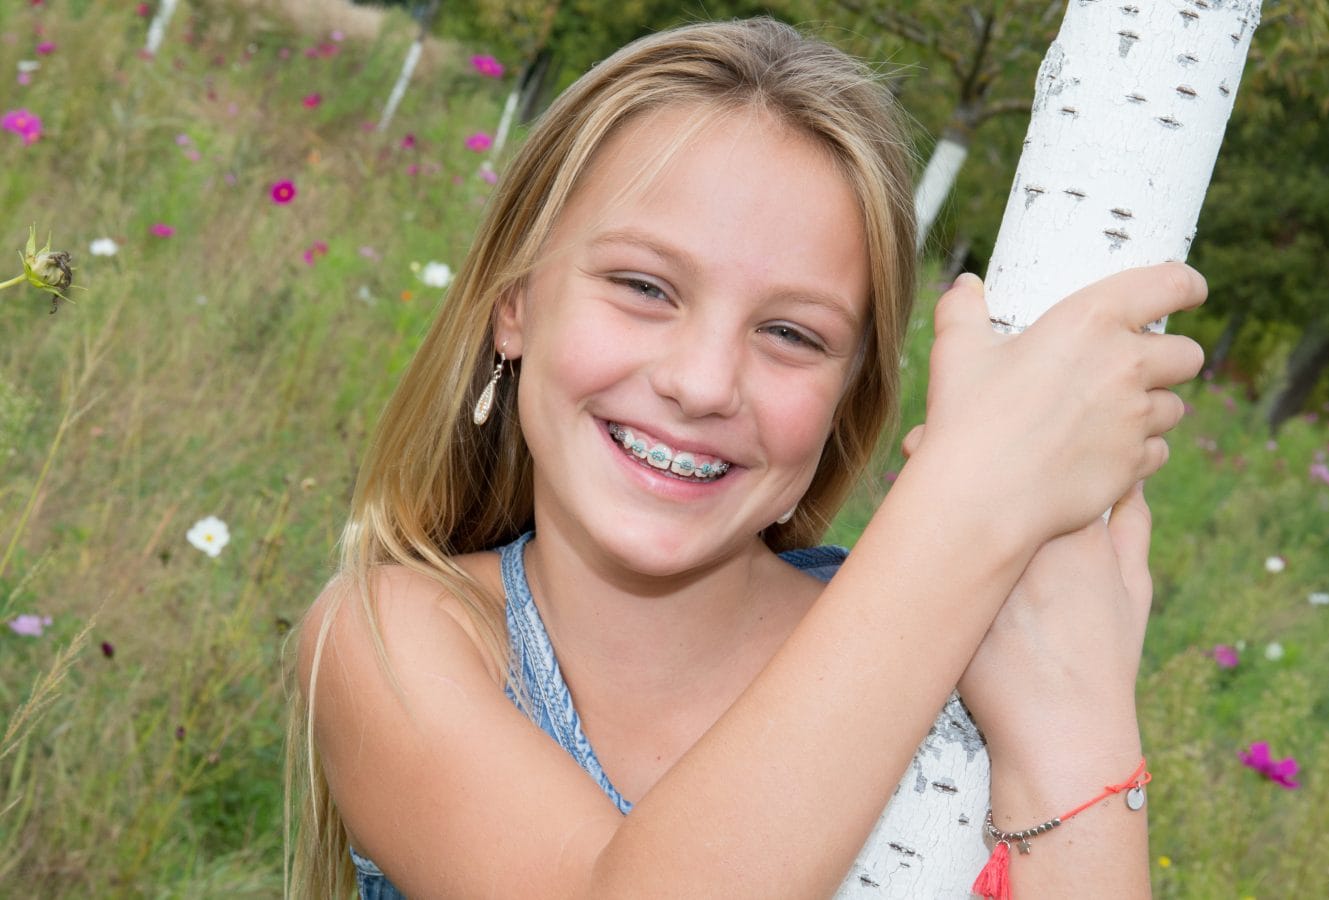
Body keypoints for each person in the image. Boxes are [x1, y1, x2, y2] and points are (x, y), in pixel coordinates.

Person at [288, 17, 1205, 899]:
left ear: (849, 396)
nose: (702, 382)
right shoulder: (393, 639)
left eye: (792, 334)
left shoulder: (978, 655)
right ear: (516, 301)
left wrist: (1074, 722)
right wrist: (973, 499)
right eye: (644, 286)